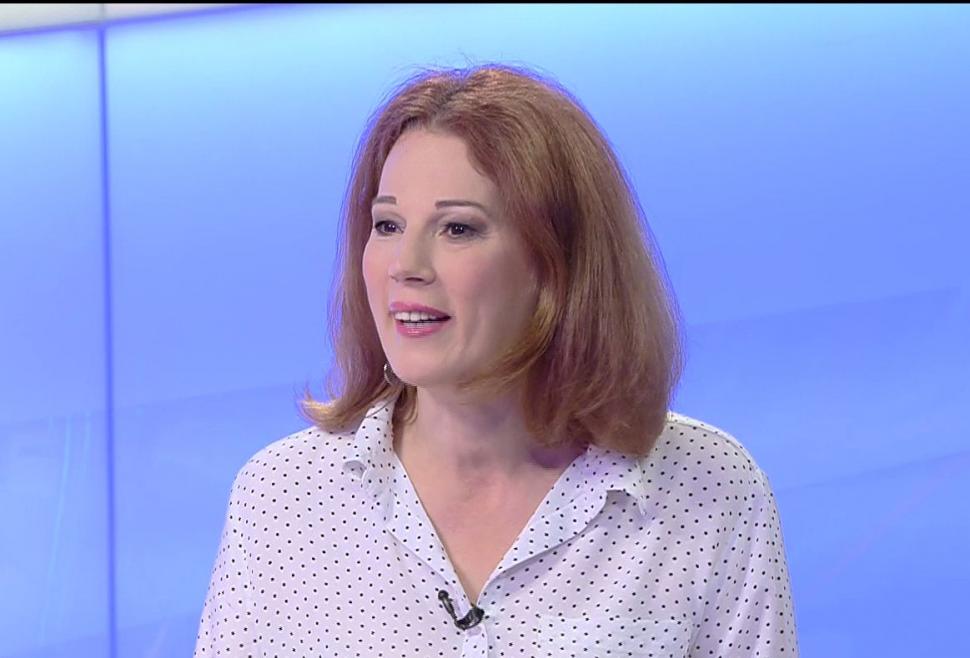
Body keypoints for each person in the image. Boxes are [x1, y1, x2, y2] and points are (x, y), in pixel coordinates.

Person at [194, 63, 798, 657]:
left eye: (457, 229)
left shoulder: (709, 487)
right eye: (387, 224)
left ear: (558, 264)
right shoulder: (282, 497)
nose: (406, 265)